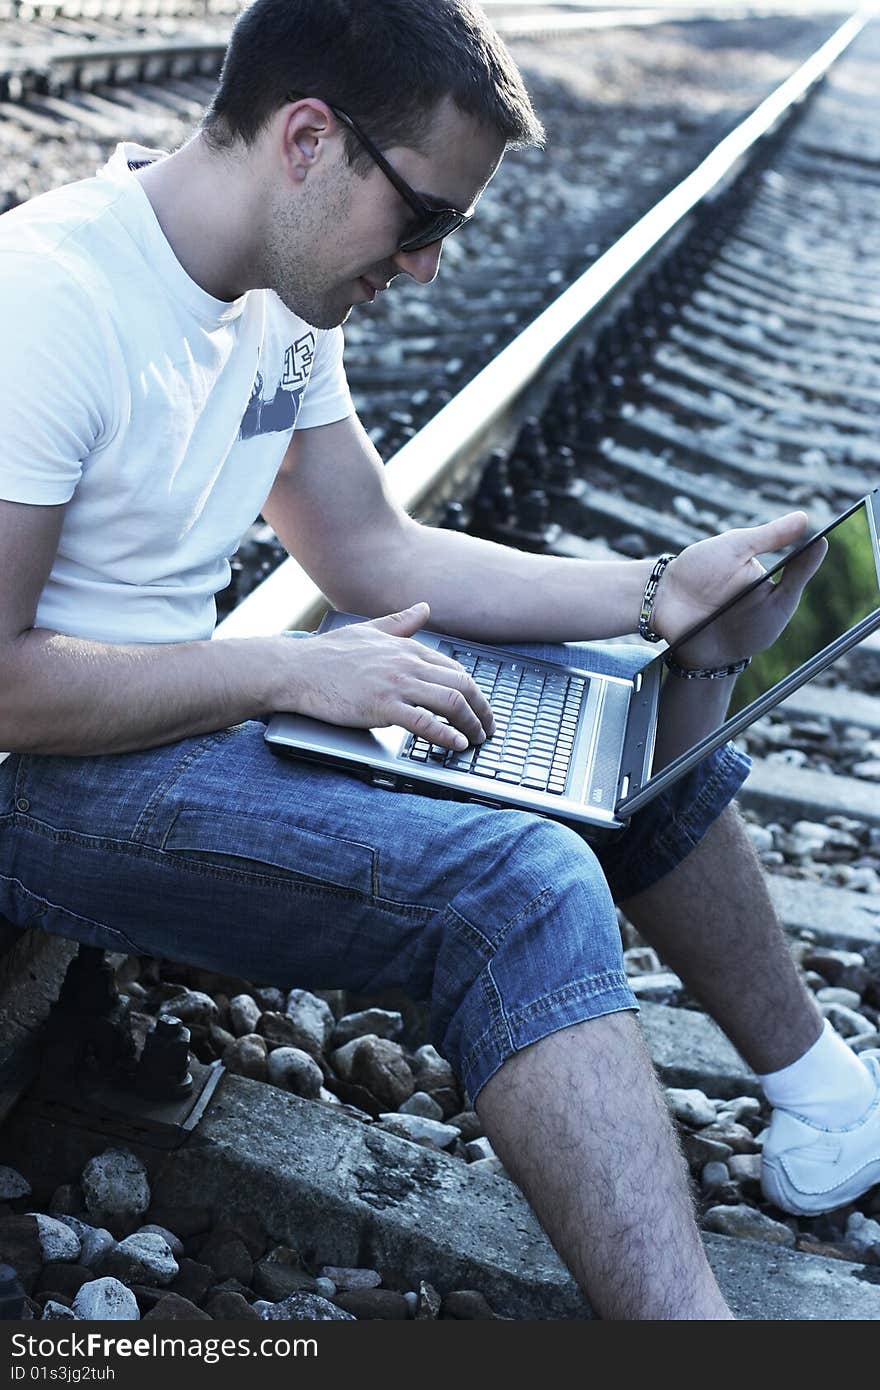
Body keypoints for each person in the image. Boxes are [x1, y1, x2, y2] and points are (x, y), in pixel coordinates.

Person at [0, 0, 877, 1321]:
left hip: (168, 719)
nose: (422, 266)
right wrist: (287, 675)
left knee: (612, 715)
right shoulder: (50, 302)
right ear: (308, 140)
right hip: (48, 781)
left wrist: (653, 598)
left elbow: (370, 551)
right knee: (519, 884)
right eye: (421, 219)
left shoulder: (282, 300)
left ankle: (822, 1094)